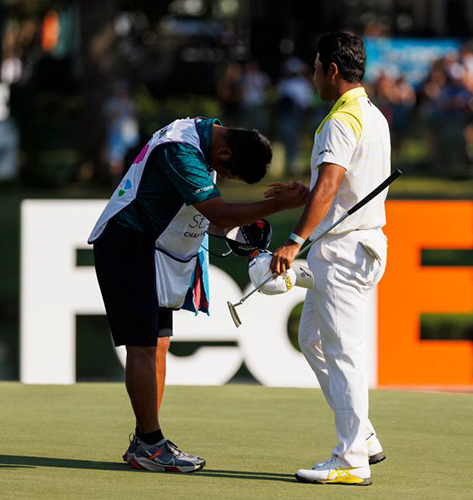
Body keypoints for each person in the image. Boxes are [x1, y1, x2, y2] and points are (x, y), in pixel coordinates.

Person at [88, 117, 308, 473]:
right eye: (229, 173)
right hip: (127, 245)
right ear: (223, 152)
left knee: (159, 344)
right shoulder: (181, 150)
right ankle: (150, 444)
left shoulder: (206, 135)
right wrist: (278, 206)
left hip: (152, 248)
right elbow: (218, 211)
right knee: (142, 347)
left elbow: (211, 218)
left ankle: (146, 441)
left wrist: (247, 234)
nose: (227, 180)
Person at [267, 32, 390, 486]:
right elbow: (343, 187)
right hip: (354, 243)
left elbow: (332, 185)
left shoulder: (341, 119)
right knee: (314, 339)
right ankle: (366, 437)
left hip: (343, 251)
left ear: (332, 71)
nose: (313, 74)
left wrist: (294, 239)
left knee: (343, 352)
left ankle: (351, 459)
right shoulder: (372, 114)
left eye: (316, 66)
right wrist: (306, 196)